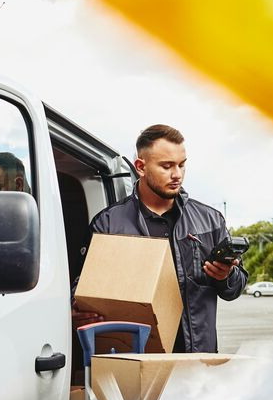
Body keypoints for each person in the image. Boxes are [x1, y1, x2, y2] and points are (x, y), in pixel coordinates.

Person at [73, 124, 247, 353]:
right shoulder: (108, 223)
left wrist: (225, 276)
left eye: (182, 165)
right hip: (135, 361)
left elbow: (235, 287)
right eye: (166, 166)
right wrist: (78, 310)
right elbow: (83, 289)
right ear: (140, 167)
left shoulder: (211, 220)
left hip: (197, 364)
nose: (177, 174)